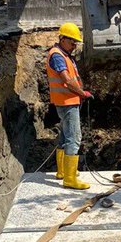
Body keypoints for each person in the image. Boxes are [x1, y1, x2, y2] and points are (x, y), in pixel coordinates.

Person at [46, 22, 93, 190]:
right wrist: (82, 93)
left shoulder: (64, 54)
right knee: (74, 138)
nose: (74, 46)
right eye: (72, 42)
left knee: (65, 137)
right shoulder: (58, 55)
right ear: (62, 39)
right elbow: (66, 79)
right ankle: (70, 179)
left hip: (67, 100)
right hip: (67, 101)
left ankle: (62, 172)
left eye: (76, 43)